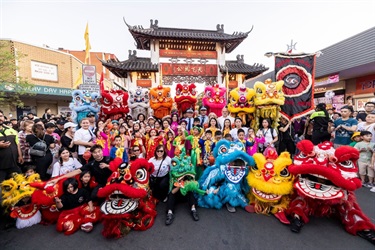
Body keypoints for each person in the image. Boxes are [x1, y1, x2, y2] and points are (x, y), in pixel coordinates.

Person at [48, 145, 112, 202]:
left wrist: (108, 166)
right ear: (92, 154)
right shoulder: (91, 164)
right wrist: (59, 178)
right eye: (95, 152)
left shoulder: (109, 159)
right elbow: (77, 171)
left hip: (112, 181)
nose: (98, 154)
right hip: (101, 184)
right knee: (93, 197)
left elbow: (119, 168)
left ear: (102, 151)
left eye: (99, 151)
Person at [0, 110, 23, 182]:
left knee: (20, 184)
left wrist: (20, 156)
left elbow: (17, 143)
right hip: (1, 167)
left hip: (13, 164)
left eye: (1, 116)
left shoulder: (11, 130)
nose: (0, 118)